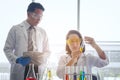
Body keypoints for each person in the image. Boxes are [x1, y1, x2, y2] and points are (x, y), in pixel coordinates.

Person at [3, 2, 50, 80]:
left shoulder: (42, 32)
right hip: (20, 68)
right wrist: (17, 60)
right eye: (36, 15)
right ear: (28, 14)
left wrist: (41, 58)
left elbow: (47, 51)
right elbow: (7, 49)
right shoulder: (15, 29)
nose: (39, 19)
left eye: (41, 16)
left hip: (37, 68)